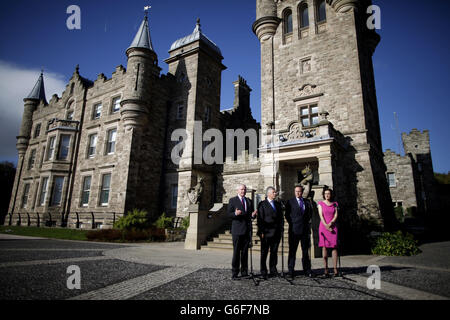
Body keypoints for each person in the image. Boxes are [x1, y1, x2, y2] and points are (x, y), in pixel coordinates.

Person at [228, 184, 257, 280]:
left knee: (245, 252)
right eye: (241, 189)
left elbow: (251, 215)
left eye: (244, 189)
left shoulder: (249, 201)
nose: (243, 191)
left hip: (247, 230)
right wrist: (235, 213)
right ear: (237, 190)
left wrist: (253, 215)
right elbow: (228, 214)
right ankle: (235, 273)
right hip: (237, 230)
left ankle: (244, 272)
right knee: (236, 252)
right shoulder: (233, 200)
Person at [285, 185, 314, 279]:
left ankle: (307, 270)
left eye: (299, 191)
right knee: (292, 251)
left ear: (302, 192)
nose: (298, 193)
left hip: (305, 230)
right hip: (294, 230)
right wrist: (293, 223)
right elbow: (287, 215)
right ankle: (290, 271)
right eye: (296, 191)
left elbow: (310, 214)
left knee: (305, 251)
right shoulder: (290, 202)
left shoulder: (306, 202)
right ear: (294, 192)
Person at [257, 186, 283, 280]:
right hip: (266, 232)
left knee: (274, 252)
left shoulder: (277, 204)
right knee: (264, 252)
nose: (275, 194)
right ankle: (263, 271)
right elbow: (260, 219)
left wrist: (281, 229)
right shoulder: (262, 204)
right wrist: (262, 231)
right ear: (268, 194)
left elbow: (281, 218)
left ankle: (273, 269)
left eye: (275, 192)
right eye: (273, 192)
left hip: (276, 232)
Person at [317, 188, 339, 277]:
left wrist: (331, 223)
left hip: (333, 227)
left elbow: (336, 214)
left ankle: (335, 269)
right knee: (324, 247)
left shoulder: (335, 204)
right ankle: (325, 269)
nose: (327, 195)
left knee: (334, 248)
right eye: (325, 193)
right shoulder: (320, 204)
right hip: (323, 227)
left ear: (331, 194)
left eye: (328, 193)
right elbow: (321, 215)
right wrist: (326, 225)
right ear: (323, 194)